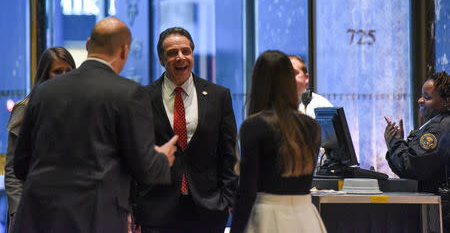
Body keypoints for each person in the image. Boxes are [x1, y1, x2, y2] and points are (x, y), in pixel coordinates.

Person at [12, 17, 177, 233]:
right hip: (95, 219)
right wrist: (162, 159)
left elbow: (21, 164)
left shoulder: (44, 92)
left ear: (89, 44)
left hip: (38, 218)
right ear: (124, 51)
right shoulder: (129, 93)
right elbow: (144, 168)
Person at [133, 27, 238, 233]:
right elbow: (135, 155)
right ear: (162, 60)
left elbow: (229, 154)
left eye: (186, 51)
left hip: (208, 209)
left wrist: (227, 199)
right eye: (172, 53)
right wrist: (136, 205)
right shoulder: (141, 98)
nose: (180, 57)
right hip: (156, 210)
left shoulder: (218, 96)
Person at [230, 50, 326, 233]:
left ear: (258, 82)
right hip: (306, 217)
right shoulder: (312, 126)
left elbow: (247, 192)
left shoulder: (254, 125)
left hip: (267, 216)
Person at [5, 47, 76, 229]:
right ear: (46, 74)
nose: (64, 76)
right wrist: (17, 211)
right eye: (57, 71)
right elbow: (13, 170)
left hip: (69, 207)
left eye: (68, 71)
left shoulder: (79, 109)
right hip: (31, 207)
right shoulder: (25, 108)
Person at [384, 71, 449, 232]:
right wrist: (397, 143)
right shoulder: (436, 124)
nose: (420, 100)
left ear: (447, 101)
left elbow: (412, 167)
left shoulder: (440, 128)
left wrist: (395, 143)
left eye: (427, 97)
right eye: (421, 95)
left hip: (440, 213)